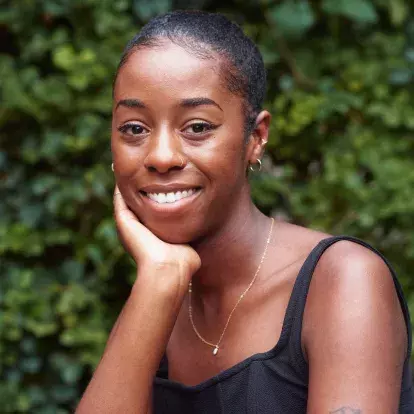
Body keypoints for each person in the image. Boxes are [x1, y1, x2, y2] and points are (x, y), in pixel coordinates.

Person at [76, 10, 413, 414]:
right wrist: (158, 283)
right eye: (134, 128)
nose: (161, 156)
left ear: (255, 138)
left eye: (197, 127)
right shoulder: (159, 293)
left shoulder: (342, 279)